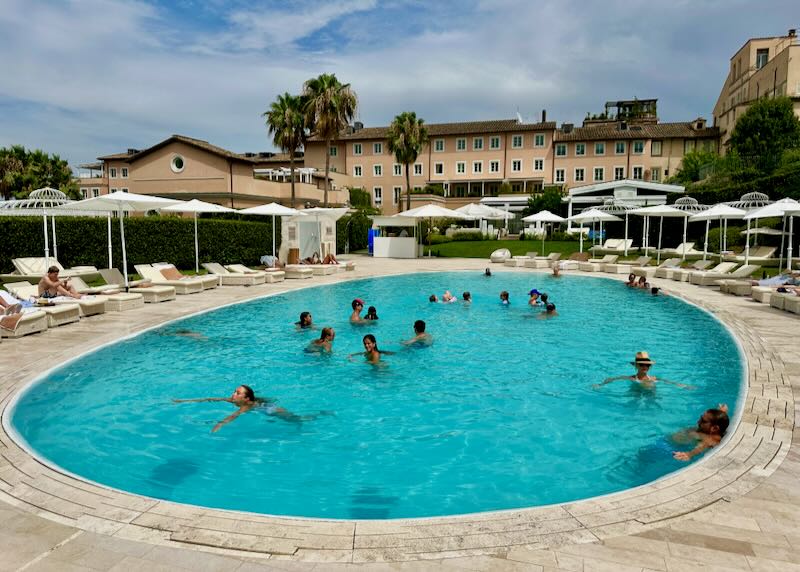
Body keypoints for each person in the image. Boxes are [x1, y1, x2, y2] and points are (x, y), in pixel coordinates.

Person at [173, 385, 309, 432]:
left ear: (246, 399)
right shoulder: (232, 400)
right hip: (262, 406)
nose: (233, 394)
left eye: (238, 393)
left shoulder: (245, 406)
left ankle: (306, 420)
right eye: (234, 391)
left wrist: (220, 424)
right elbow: (211, 399)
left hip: (266, 408)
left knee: (293, 419)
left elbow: (235, 415)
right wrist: (183, 401)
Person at [594, 351, 693, 390]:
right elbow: (614, 379)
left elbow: (668, 382)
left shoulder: (654, 378)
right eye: (642, 364)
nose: (645, 367)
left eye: (647, 365)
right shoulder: (632, 378)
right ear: (636, 366)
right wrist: (600, 384)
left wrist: (683, 385)